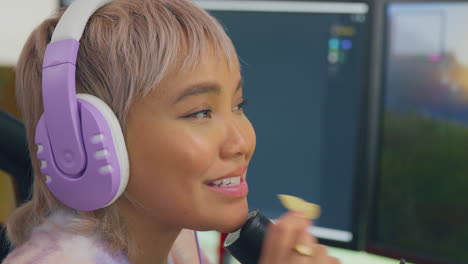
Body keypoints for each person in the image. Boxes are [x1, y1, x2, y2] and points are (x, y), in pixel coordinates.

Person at [2, 0, 340, 263]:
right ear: (82, 143)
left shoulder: (173, 241)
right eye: (200, 112)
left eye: (239, 104)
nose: (241, 142)